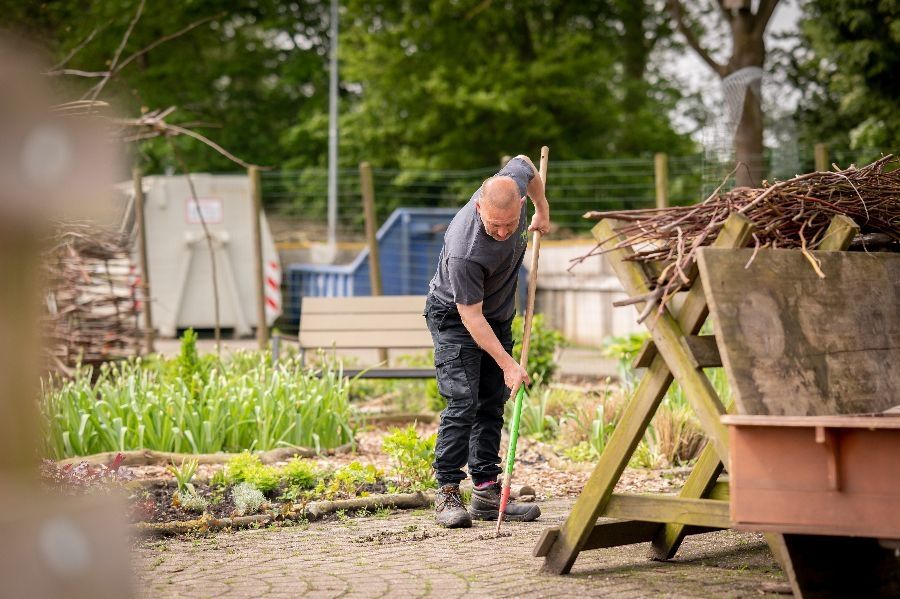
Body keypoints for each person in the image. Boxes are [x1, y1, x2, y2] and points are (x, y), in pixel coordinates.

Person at [424, 154, 550, 528]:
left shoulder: (513, 183)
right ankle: (447, 491)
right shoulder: (466, 248)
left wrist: (542, 210)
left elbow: (527, 162)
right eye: (494, 225)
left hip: (496, 315)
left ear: (520, 205)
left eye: (510, 224)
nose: (501, 232)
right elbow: (470, 317)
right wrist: (508, 363)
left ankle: (485, 490)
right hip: (456, 318)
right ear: (479, 206)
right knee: (463, 400)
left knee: (492, 401)